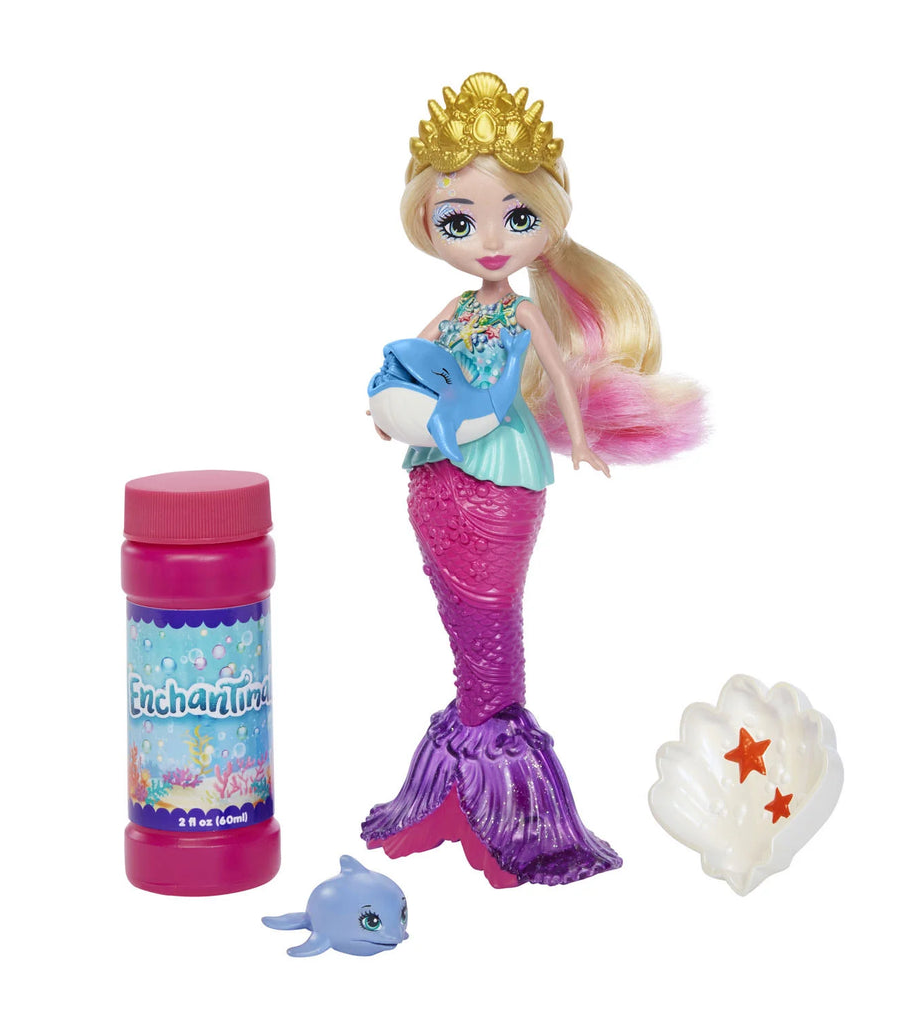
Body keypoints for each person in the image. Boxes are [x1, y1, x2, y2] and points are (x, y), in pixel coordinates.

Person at [362, 73, 704, 887]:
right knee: (461, 623)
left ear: (546, 222)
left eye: (517, 218)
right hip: (437, 470)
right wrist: (385, 409)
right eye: (460, 221)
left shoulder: (519, 312)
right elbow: (407, 360)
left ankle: (499, 791)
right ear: (427, 223)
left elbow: (555, 372)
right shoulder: (458, 308)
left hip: (504, 471)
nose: (490, 240)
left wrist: (579, 442)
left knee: (492, 621)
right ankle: (466, 785)